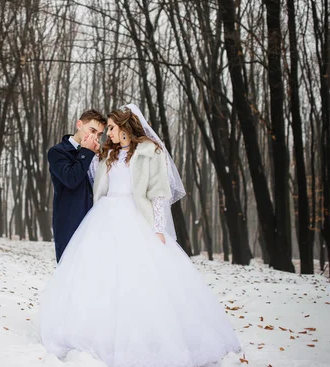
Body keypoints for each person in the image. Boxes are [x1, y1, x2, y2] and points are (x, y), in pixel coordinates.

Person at [40, 104, 241, 367]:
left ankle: (142, 334)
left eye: (109, 128)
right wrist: (87, 151)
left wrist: (158, 228)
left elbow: (158, 192)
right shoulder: (106, 154)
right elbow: (86, 180)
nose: (106, 134)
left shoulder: (149, 152)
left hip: (134, 218)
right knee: (100, 279)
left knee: (138, 279)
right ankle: (95, 332)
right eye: (103, 129)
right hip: (102, 219)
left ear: (124, 126)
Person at [47, 109, 106, 262]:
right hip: (70, 222)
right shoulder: (57, 152)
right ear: (79, 124)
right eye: (92, 130)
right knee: (69, 272)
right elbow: (71, 179)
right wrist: (86, 152)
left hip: (97, 222)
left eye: (99, 134)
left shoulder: (99, 154)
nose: (95, 137)